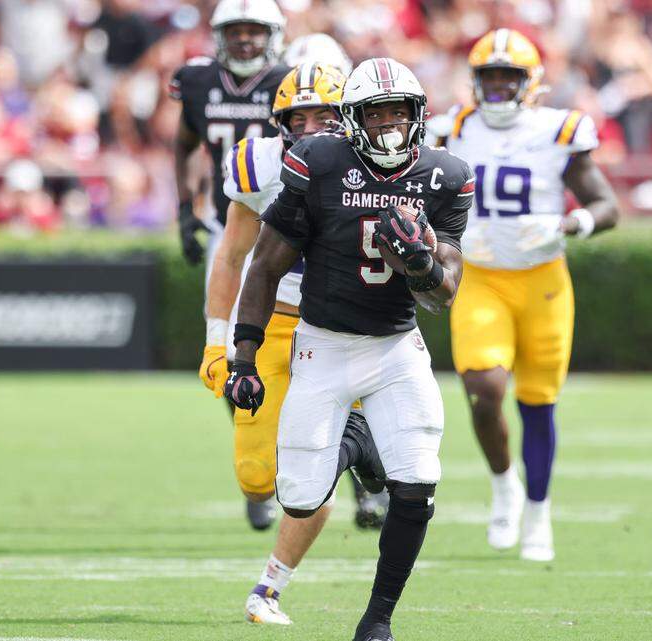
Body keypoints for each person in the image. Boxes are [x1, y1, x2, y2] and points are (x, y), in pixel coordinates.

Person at [226, 58, 473, 641]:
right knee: (302, 496)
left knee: (417, 486)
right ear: (353, 121)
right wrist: (244, 356)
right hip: (322, 346)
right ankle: (358, 448)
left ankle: (377, 620)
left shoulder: (445, 174)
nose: (390, 125)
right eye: (377, 113)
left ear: (418, 116)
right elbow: (263, 265)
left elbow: (446, 294)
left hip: (395, 349)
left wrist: (418, 265)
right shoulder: (320, 162)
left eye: (399, 113)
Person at [200, 61, 386, 625]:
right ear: (280, 123)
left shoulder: (377, 161)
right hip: (276, 322)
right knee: (256, 478)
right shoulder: (259, 165)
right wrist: (216, 342)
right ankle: (356, 448)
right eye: (297, 118)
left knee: (313, 472)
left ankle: (275, 582)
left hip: (346, 326)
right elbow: (232, 256)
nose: (309, 128)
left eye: (323, 116)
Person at [430, 29, 619, 562]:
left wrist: (574, 222)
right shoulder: (453, 128)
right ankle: (504, 484)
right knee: (483, 390)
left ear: (529, 83)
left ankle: (538, 510)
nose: (495, 88)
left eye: (505, 78)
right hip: (482, 278)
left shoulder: (559, 131)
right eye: (487, 78)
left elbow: (607, 204)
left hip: (541, 281)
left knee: (537, 402)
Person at [169, 0, 290, 529]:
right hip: (230, 230)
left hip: (294, 230)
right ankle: (254, 445)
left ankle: (357, 477)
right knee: (228, 350)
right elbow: (185, 144)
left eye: (254, 31)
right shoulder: (196, 83)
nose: (244, 40)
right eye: (235, 31)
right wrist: (185, 210)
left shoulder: (292, 83)